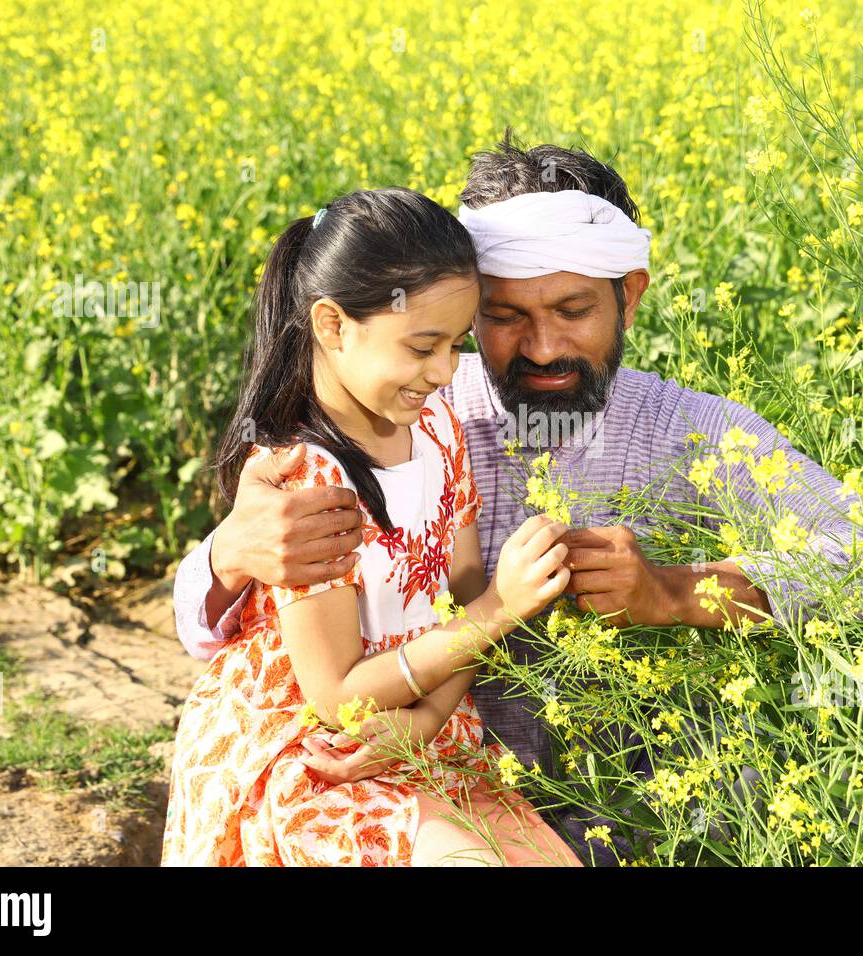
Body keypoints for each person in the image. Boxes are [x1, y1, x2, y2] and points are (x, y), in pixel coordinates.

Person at [173, 134, 863, 864]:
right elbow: (229, 637)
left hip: (659, 828)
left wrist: (675, 593)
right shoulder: (414, 412)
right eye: (503, 318)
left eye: (571, 312)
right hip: (417, 800)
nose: (539, 348)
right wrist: (229, 557)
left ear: (628, 297)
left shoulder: (695, 431)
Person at [161, 187, 581, 866]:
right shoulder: (307, 480)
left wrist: (426, 720)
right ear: (333, 326)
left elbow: (463, 588)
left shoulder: (438, 427)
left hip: (428, 723)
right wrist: (504, 608)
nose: (445, 372)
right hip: (319, 753)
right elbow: (336, 696)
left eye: (455, 345)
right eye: (423, 347)